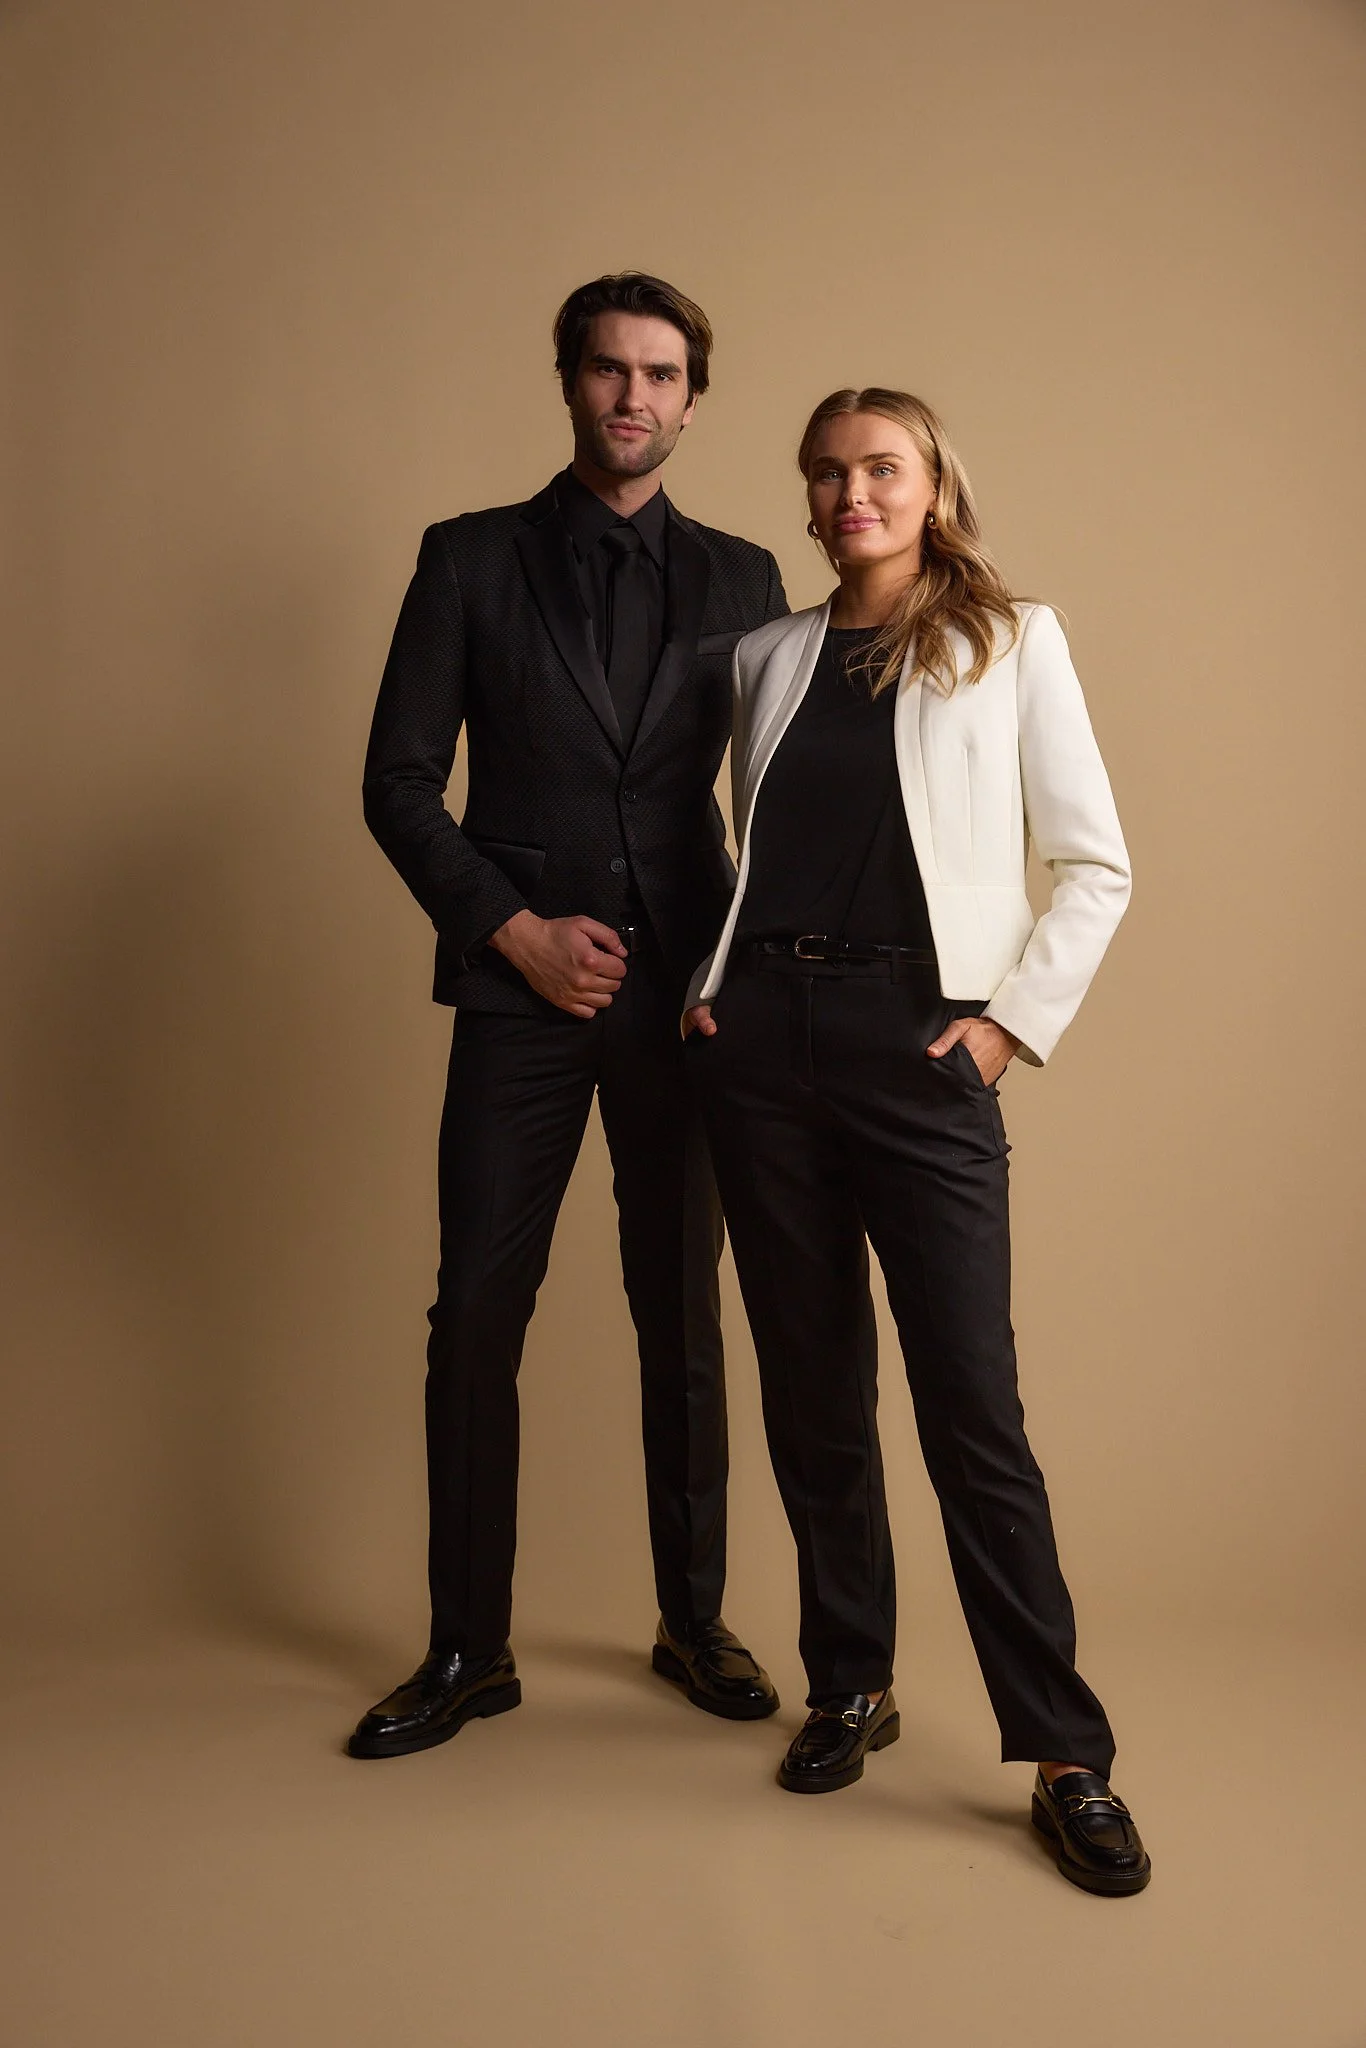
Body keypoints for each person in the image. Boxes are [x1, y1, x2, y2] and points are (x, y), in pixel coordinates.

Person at [683, 387, 1150, 1895]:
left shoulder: (1013, 641)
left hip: (918, 1049)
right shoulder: (764, 655)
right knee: (811, 1392)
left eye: (877, 468)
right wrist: (706, 994)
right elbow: (740, 856)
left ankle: (1064, 1753)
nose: (847, 495)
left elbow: (1093, 863)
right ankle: (851, 1685)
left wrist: (1007, 1024)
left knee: (970, 1405)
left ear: (933, 482)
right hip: (763, 1054)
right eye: (824, 474)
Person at [350, 273, 788, 1761]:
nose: (632, 397)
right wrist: (515, 933)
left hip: (684, 1004)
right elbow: (398, 783)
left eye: (660, 374)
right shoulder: (467, 560)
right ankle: (467, 1648)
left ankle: (693, 1619)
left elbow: (783, 802)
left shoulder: (743, 579)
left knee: (680, 1307)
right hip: (518, 991)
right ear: (567, 382)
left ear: (690, 397)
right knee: (475, 1308)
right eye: (607, 370)